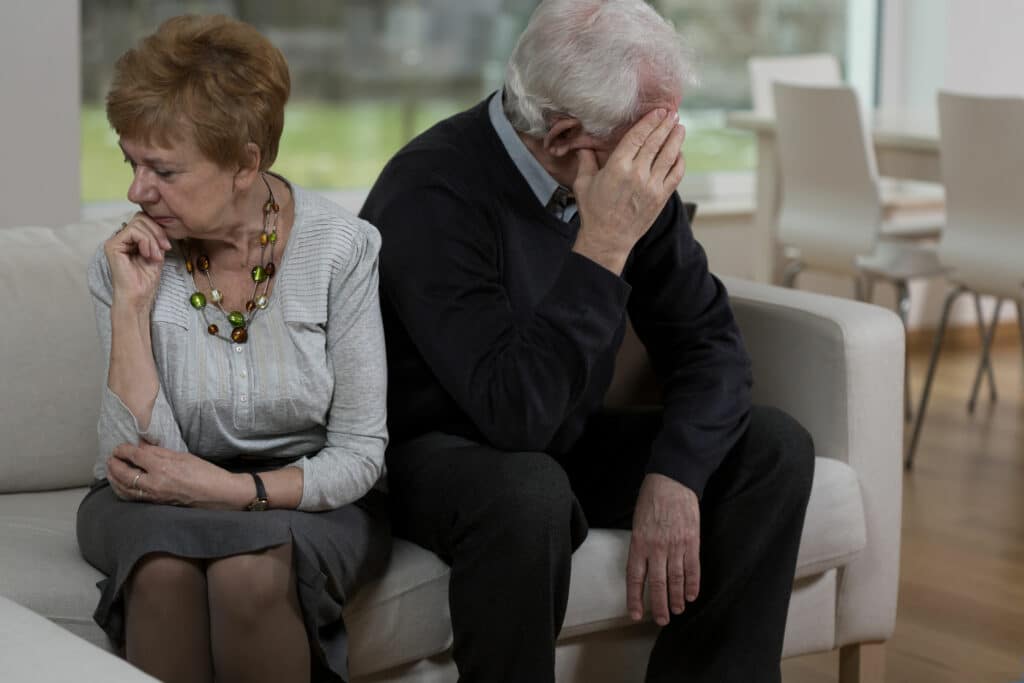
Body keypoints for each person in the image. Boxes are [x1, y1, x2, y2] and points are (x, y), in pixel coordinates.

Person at [360, 1, 815, 681]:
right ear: (570, 136)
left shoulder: (621, 175)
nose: (668, 154)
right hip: (438, 453)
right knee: (528, 491)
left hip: (557, 437)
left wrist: (676, 471)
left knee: (771, 450)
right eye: (651, 133)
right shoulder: (432, 191)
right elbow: (515, 415)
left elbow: (711, 346)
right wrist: (602, 241)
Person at [76, 15, 390, 683]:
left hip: (305, 494)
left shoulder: (342, 250)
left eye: (162, 169)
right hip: (150, 499)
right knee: (162, 572)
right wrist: (131, 307)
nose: (136, 190)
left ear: (246, 163)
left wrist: (231, 489)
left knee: (251, 575)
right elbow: (132, 460)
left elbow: (361, 452)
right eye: (130, 163)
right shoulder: (127, 258)